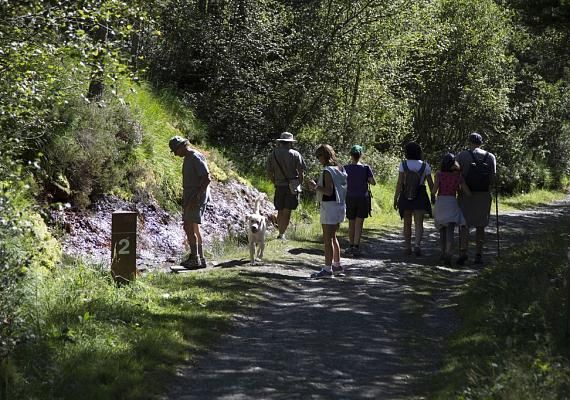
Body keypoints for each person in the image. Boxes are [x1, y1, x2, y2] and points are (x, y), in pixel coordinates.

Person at [169, 136, 211, 269]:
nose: (175, 154)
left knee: (188, 227)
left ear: (182, 146)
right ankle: (200, 258)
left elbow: (206, 178)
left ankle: (195, 259)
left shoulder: (194, 157)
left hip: (195, 198)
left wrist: (196, 197)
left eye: (175, 150)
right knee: (194, 228)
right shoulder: (189, 157)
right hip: (192, 196)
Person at [456, 132, 497, 265]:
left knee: (464, 225)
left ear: (469, 142)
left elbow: (456, 175)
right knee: (481, 225)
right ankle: (478, 254)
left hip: (466, 194)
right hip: (483, 194)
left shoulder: (461, 155)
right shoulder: (490, 156)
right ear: (481, 143)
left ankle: (463, 252)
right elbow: (493, 178)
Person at [308, 144, 347, 278]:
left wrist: (315, 186)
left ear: (324, 156)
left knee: (327, 239)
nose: (318, 159)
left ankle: (327, 269)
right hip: (340, 205)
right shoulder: (341, 168)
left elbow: (329, 191)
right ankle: (337, 265)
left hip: (329, 206)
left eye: (319, 156)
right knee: (333, 236)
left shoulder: (328, 171)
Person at [393, 141, 435, 256]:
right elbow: (431, 183)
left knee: (407, 222)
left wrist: (396, 197)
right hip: (420, 194)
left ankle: (407, 247)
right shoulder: (425, 165)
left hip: (406, 194)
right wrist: (433, 196)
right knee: (419, 222)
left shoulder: (403, 164)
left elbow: (399, 182)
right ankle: (417, 245)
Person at [266, 132, 307, 240]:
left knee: (280, 209)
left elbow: (269, 172)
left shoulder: (273, 154)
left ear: (281, 142)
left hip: (279, 185)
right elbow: (301, 172)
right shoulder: (295, 154)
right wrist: (299, 183)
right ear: (290, 143)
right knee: (287, 210)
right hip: (292, 186)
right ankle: (282, 234)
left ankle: (280, 232)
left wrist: (274, 181)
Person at [433, 153, 471, 265]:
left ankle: (443, 252)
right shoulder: (458, 176)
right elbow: (468, 193)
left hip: (441, 202)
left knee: (442, 230)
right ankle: (449, 251)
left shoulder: (439, 175)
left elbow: (434, 191)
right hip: (451, 202)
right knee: (450, 228)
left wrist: (433, 196)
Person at [343, 144, 376, 257]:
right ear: (361, 155)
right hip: (362, 197)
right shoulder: (366, 168)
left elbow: (343, 182)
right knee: (359, 223)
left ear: (351, 155)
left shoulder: (345, 168)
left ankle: (351, 245)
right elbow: (373, 182)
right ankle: (356, 246)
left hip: (350, 197)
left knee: (351, 222)